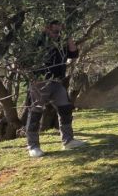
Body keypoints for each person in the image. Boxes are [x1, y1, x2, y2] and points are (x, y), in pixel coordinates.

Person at [24, 20, 84, 158]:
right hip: (40, 82)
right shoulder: (38, 41)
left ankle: (68, 141)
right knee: (36, 112)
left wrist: (68, 36)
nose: (57, 33)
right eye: (55, 30)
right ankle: (33, 146)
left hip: (57, 82)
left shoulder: (62, 42)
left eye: (59, 30)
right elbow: (25, 61)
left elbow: (74, 54)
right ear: (47, 28)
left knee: (65, 109)